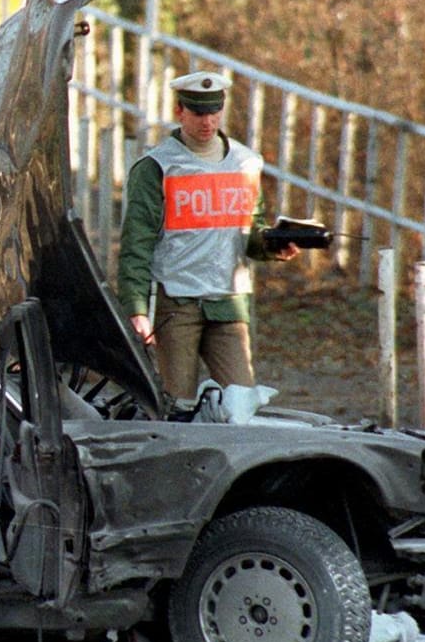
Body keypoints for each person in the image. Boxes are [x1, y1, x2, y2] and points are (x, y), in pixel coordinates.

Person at [117, 70, 301, 412]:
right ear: (180, 111)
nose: (208, 120)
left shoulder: (246, 163)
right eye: (199, 112)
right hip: (177, 302)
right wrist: (137, 309)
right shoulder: (157, 166)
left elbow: (249, 230)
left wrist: (273, 245)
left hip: (227, 302)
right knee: (176, 407)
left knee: (241, 406)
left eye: (214, 111)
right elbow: (136, 244)